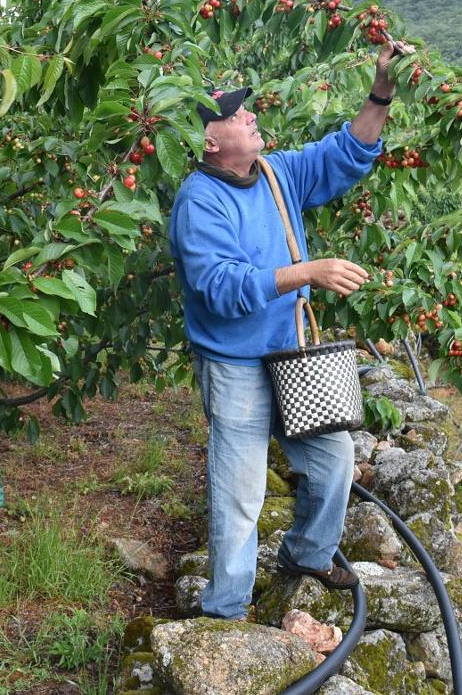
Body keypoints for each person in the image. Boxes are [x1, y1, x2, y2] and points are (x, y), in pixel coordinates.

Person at [168, 43, 402, 621]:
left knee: (333, 458)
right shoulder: (200, 201)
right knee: (240, 491)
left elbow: (346, 152)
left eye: (245, 108)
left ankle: (305, 554)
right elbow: (219, 287)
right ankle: (225, 611)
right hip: (235, 365)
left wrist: (382, 89)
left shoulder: (276, 174)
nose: (250, 115)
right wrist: (306, 273)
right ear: (210, 142)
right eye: (234, 114)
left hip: (291, 358)